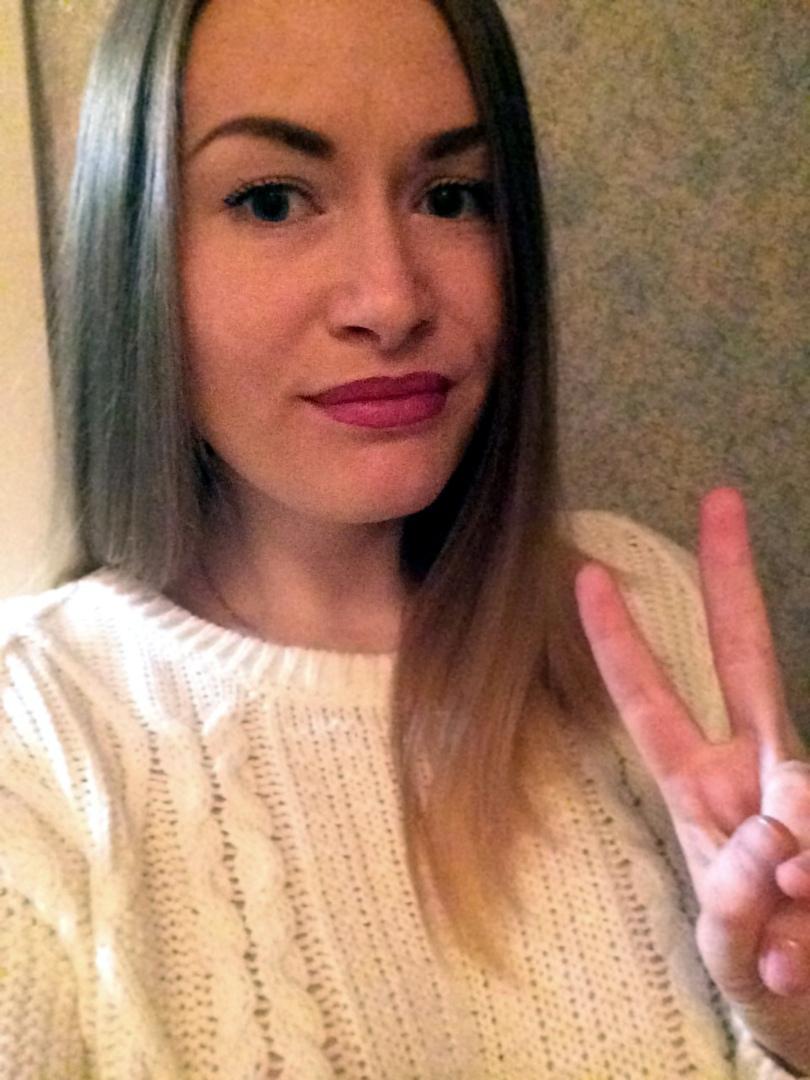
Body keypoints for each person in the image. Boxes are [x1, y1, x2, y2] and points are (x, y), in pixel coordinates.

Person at [1, 0, 808, 1075]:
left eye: (451, 197)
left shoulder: (641, 610)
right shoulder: (32, 750)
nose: (391, 301)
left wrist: (792, 1024)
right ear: (132, 253)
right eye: (273, 199)